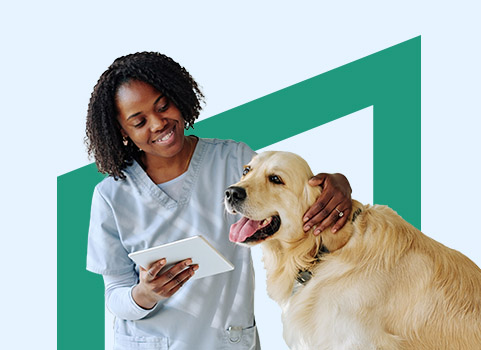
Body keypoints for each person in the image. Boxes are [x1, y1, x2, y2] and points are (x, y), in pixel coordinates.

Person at [85, 52, 353, 350]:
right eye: (139, 121)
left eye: (163, 106)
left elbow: (295, 196)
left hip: (227, 340)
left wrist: (339, 181)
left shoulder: (235, 160)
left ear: (178, 96)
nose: (159, 123)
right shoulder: (111, 196)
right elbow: (115, 296)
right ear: (122, 131)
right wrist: (145, 294)